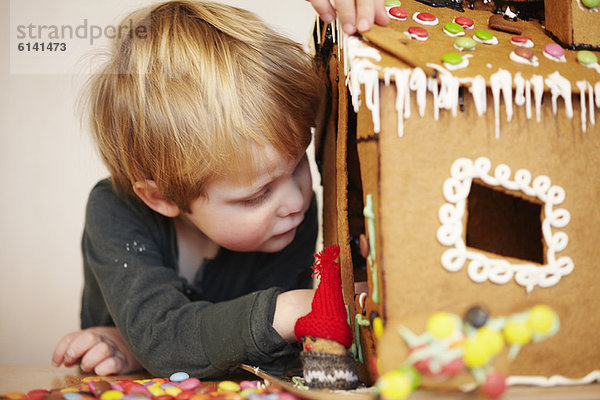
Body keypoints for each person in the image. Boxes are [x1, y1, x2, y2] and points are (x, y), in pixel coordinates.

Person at [52, 0, 389, 378]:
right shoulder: (115, 212)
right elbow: (165, 340)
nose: (296, 201)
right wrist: (294, 309)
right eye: (256, 196)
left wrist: (143, 348)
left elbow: (270, 361)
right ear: (161, 197)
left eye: (298, 165)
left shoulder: (285, 220)